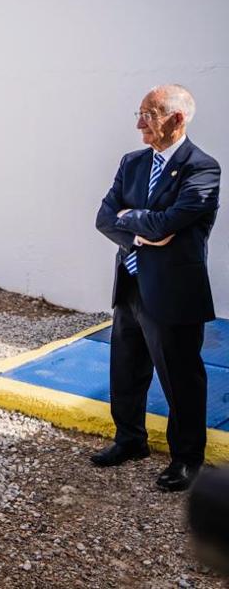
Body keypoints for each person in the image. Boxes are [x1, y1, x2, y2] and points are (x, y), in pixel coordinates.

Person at [94, 84, 220, 492]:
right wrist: (140, 229)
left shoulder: (202, 169)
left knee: (181, 378)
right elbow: (105, 218)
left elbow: (169, 224)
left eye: (148, 116)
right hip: (130, 284)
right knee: (126, 369)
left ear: (176, 119)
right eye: (140, 114)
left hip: (173, 291)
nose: (139, 124)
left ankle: (187, 460)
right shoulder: (132, 163)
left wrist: (141, 220)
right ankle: (130, 441)